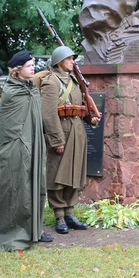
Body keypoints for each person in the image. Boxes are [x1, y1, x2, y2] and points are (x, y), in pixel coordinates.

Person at [0, 50, 53, 250]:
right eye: (30, 66)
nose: (33, 68)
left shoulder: (30, 88)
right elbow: (9, 125)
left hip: (34, 143)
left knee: (36, 185)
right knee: (18, 187)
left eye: (33, 65)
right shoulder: (12, 92)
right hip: (17, 146)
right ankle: (15, 231)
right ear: (18, 70)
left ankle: (34, 229)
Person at [40, 46, 99, 235]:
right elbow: (48, 114)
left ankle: (69, 213)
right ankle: (58, 214)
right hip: (62, 133)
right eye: (69, 59)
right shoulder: (50, 82)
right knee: (57, 175)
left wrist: (91, 118)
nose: (73, 62)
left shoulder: (75, 81)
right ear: (59, 62)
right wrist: (56, 140)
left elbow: (81, 106)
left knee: (75, 173)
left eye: (73, 59)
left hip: (77, 132)